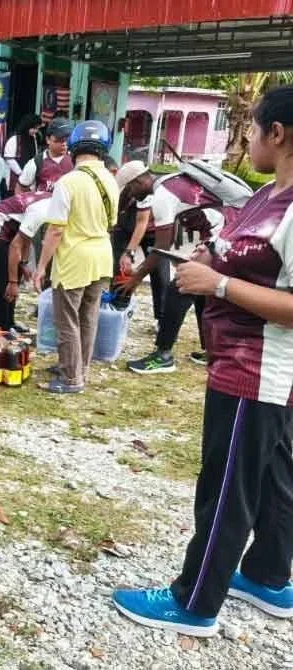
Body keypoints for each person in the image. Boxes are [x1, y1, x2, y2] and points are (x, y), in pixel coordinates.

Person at [113, 84, 293, 637]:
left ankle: (195, 601)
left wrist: (218, 282)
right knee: (272, 478)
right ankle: (266, 576)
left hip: (258, 369)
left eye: (252, 128)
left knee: (227, 484)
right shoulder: (267, 197)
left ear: (278, 133)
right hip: (237, 361)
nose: (248, 138)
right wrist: (210, 258)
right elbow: (248, 258)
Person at [121, 171, 239, 374]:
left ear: (138, 180)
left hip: (225, 235)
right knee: (202, 290)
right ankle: (211, 351)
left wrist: (136, 278)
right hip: (227, 231)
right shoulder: (171, 182)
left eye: (129, 189)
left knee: (181, 287)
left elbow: (162, 246)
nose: (131, 196)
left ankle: (163, 355)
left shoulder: (162, 195)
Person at [33, 120, 118, 394]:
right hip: (102, 256)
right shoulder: (110, 179)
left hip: (74, 260)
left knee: (67, 320)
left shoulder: (68, 182)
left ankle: (71, 379)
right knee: (88, 317)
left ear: (73, 147)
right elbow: (112, 222)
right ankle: (80, 369)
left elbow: (56, 230)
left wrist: (41, 267)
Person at [0, 191, 52, 330]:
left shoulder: (52, 201)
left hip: (14, 228)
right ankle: (2, 328)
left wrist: (23, 264)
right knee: (5, 280)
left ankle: (10, 322)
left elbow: (26, 236)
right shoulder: (43, 211)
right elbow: (15, 245)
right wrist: (13, 282)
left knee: (16, 273)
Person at [110, 161, 162, 309]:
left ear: (137, 181)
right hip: (125, 227)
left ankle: (161, 315)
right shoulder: (122, 188)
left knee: (159, 272)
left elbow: (142, 222)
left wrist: (129, 252)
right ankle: (118, 303)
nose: (131, 193)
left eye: (131, 189)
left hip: (153, 230)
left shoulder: (151, 189)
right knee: (119, 267)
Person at [17, 117, 74, 194]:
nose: (64, 144)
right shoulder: (36, 163)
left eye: (67, 139)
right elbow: (21, 189)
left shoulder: (74, 161)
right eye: (59, 139)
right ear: (48, 140)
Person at [4, 114, 43, 196]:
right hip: (15, 177)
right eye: (34, 128)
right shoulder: (14, 139)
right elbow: (9, 159)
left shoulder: (33, 139)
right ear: (27, 126)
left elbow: (34, 157)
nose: (35, 131)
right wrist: (21, 173)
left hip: (28, 178)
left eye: (37, 129)